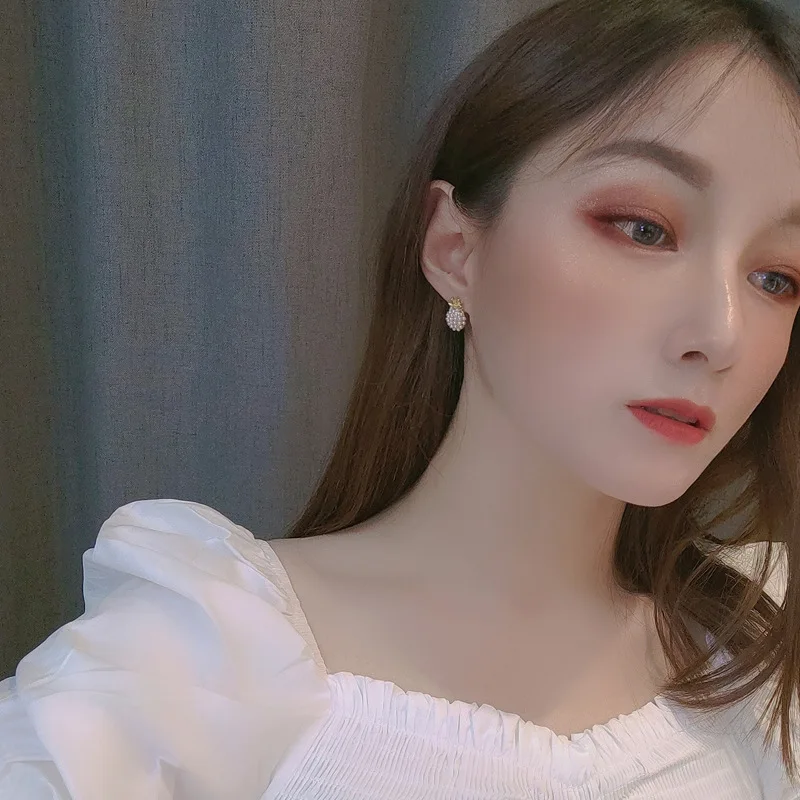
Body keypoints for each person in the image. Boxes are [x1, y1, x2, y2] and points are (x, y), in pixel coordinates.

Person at [3, 0, 800, 796]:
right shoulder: (192, 668)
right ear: (455, 249)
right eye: (642, 228)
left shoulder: (757, 661)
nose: (723, 334)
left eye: (777, 277)